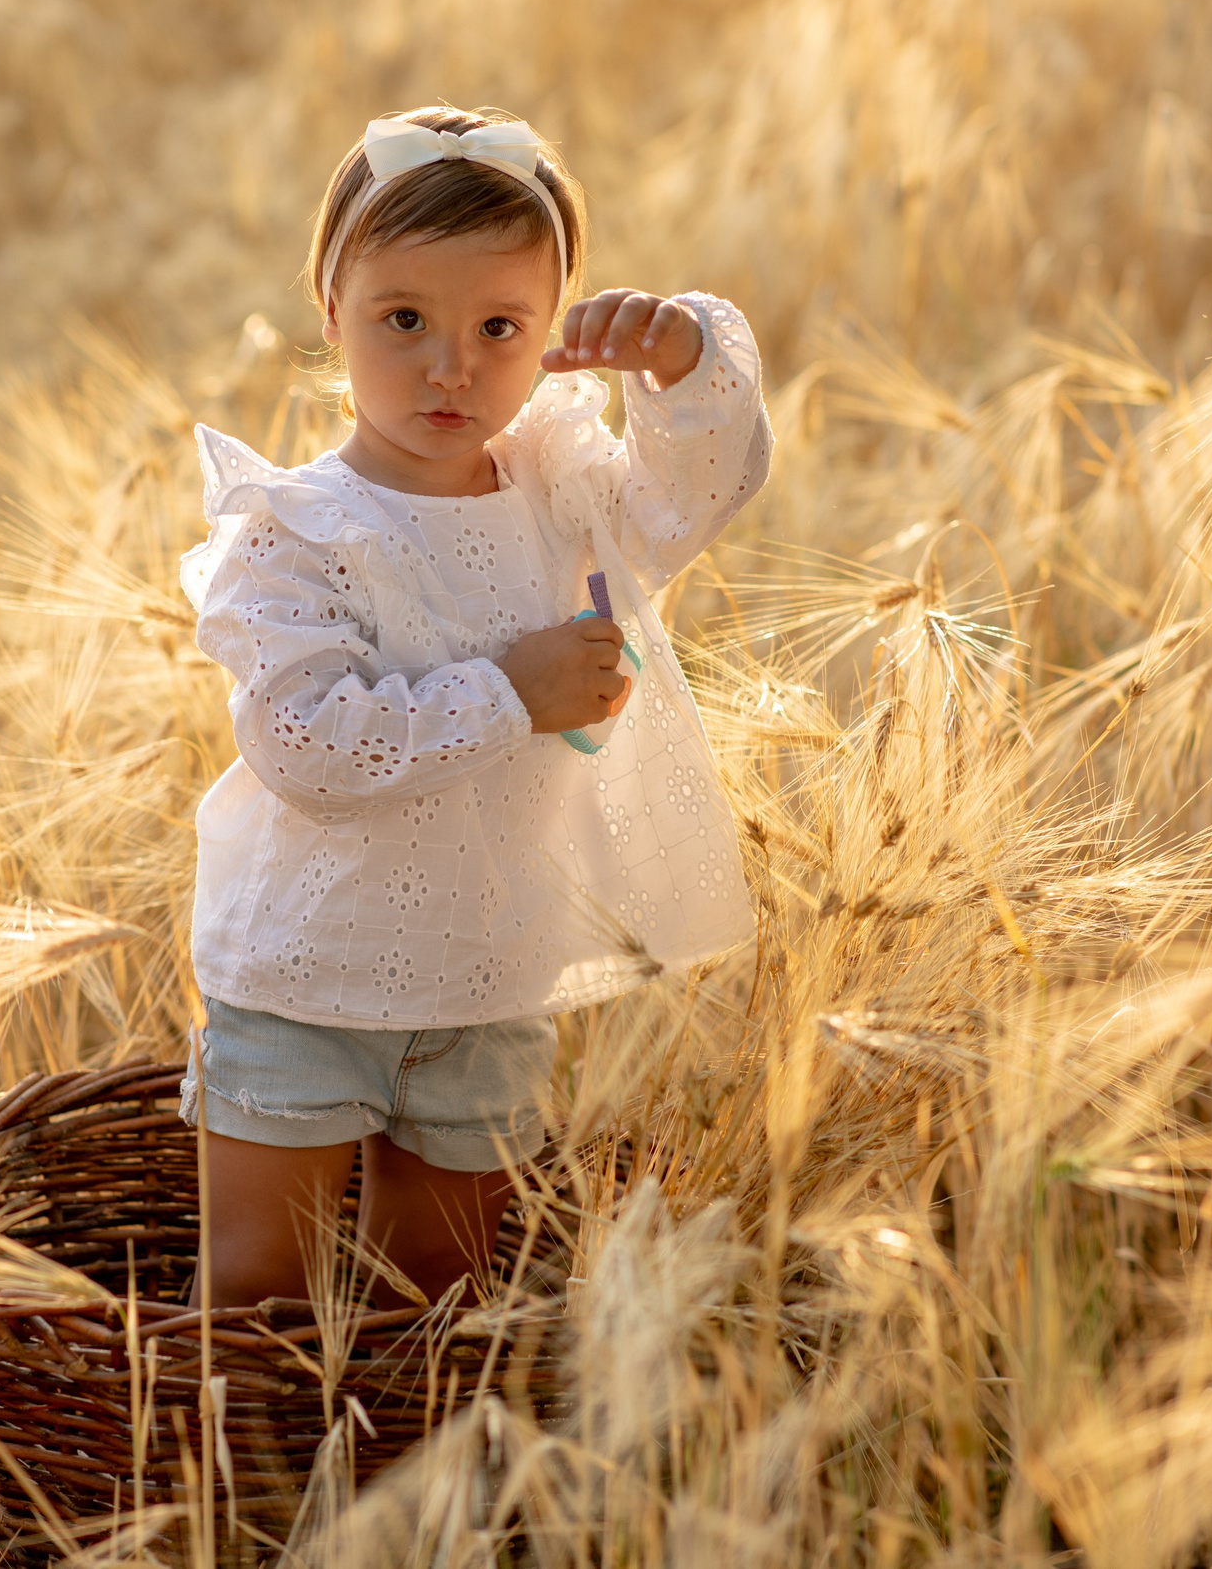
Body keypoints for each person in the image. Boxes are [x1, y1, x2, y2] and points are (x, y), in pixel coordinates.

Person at [177, 104, 771, 1308]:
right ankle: (240, 1493)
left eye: (499, 326)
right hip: (308, 970)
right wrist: (511, 691)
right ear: (328, 311)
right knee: (257, 1284)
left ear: (552, 332)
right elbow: (308, 741)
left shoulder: (562, 483)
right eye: (404, 319)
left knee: (434, 1287)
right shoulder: (295, 531)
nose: (451, 367)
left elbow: (688, 501)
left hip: (492, 967)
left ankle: (396, 1486)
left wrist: (682, 366)